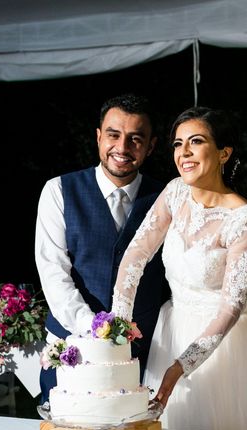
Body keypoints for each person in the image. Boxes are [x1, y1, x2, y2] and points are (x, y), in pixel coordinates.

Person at [111, 106, 247, 430]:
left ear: (224, 152)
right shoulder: (175, 192)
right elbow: (137, 251)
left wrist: (182, 365)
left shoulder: (245, 220)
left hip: (227, 343)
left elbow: (230, 307)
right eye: (178, 144)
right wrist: (117, 324)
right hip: (172, 327)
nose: (184, 153)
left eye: (196, 141)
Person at [35, 93, 168, 404]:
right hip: (72, 350)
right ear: (98, 137)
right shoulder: (58, 191)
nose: (122, 148)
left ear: (151, 146)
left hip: (145, 359)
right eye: (113, 135)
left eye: (136, 139)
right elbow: (53, 273)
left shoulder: (166, 198)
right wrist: (94, 329)